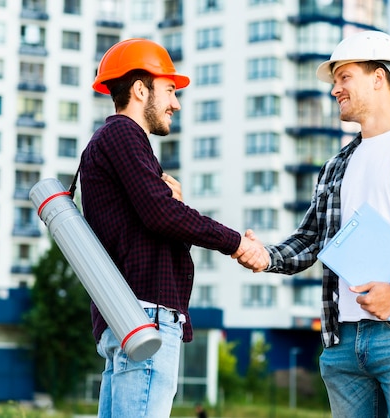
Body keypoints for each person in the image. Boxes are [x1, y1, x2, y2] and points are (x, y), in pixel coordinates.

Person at [236, 30, 390, 417]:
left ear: (379, 77)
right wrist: (265, 255)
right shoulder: (335, 166)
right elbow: (310, 240)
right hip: (343, 342)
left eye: (344, 77)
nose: (335, 89)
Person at [79, 38, 262, 418]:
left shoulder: (112, 143)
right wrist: (234, 243)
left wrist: (173, 206)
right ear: (140, 89)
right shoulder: (123, 134)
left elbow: (154, 217)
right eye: (169, 91)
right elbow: (159, 215)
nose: (176, 104)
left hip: (128, 315)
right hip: (145, 315)